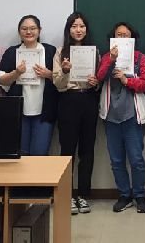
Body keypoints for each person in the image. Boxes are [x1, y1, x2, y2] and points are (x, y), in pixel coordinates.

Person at [97, 22, 145, 214]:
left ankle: (139, 195)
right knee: (116, 160)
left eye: (125, 35)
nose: (122, 38)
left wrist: (126, 80)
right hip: (111, 115)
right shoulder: (106, 57)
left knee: (136, 159)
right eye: (118, 35)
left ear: (132, 38)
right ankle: (124, 195)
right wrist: (111, 60)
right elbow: (100, 76)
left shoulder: (140, 57)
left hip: (132, 115)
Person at [52, 12, 100, 215]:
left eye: (81, 26)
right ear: (68, 29)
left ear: (86, 29)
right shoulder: (60, 52)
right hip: (68, 101)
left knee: (87, 150)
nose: (78, 30)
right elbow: (57, 84)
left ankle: (83, 195)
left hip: (89, 100)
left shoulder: (95, 52)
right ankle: (67, 195)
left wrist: (95, 83)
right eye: (74, 26)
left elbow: (99, 81)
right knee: (67, 150)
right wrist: (64, 71)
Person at [0, 15, 58, 156]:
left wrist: (48, 74)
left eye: (32, 28)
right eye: (24, 29)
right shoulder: (12, 52)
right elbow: (2, 80)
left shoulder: (50, 51)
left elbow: (61, 80)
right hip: (19, 112)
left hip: (44, 112)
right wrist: (16, 73)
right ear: (19, 31)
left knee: (40, 154)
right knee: (21, 156)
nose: (28, 32)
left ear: (39, 30)